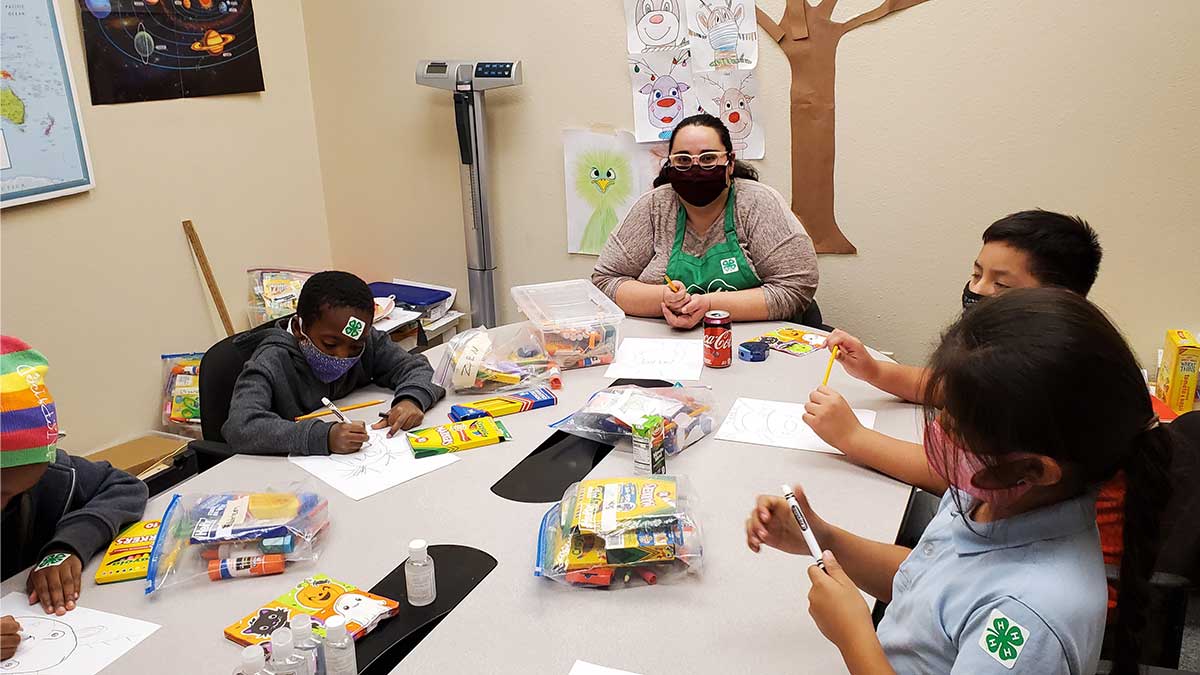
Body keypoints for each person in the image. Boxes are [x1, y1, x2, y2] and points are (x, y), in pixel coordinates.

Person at [746, 289, 1173, 674]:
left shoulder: (1028, 617)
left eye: (957, 429)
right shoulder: (993, 492)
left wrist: (853, 635)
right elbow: (925, 585)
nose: (939, 434)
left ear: (1036, 469)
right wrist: (821, 538)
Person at [802, 209, 1127, 606]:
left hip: (1030, 567)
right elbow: (944, 389)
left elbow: (957, 471)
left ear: (1055, 299)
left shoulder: (1056, 382)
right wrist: (875, 371)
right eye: (977, 275)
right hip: (986, 539)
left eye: (1000, 284)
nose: (979, 290)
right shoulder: (1045, 350)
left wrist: (853, 438)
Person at [592, 113, 818, 329]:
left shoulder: (758, 203)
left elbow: (796, 288)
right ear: (670, 165)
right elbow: (605, 281)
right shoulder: (654, 207)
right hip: (668, 347)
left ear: (730, 163)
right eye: (683, 160)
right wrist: (665, 298)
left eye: (708, 158)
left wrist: (708, 306)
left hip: (753, 348)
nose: (695, 168)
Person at [1, 337, 148, 629]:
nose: (6, 506)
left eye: (18, 494)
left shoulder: (48, 474)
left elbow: (124, 486)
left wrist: (69, 544)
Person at [223, 271, 445, 455]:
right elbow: (241, 427)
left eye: (355, 348)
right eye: (330, 344)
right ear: (300, 329)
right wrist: (323, 437)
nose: (342, 356)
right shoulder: (270, 361)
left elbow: (415, 367)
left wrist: (412, 399)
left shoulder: (365, 341)